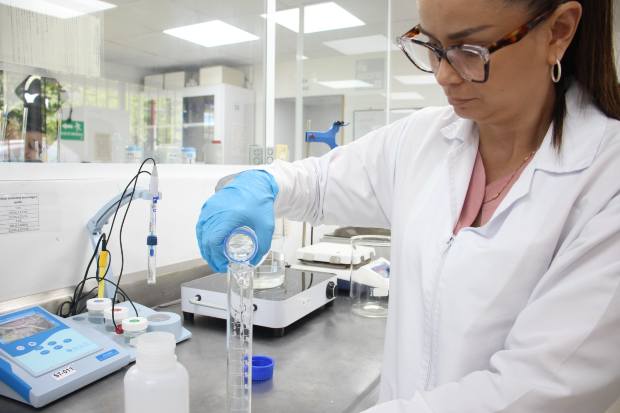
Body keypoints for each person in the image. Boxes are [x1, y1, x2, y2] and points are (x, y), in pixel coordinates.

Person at [196, 0, 620, 411]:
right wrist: (263, 184)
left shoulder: (606, 179)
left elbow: (534, 391)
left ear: (559, 31)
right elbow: (320, 183)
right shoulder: (422, 139)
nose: (443, 75)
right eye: (432, 46)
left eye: (469, 50)